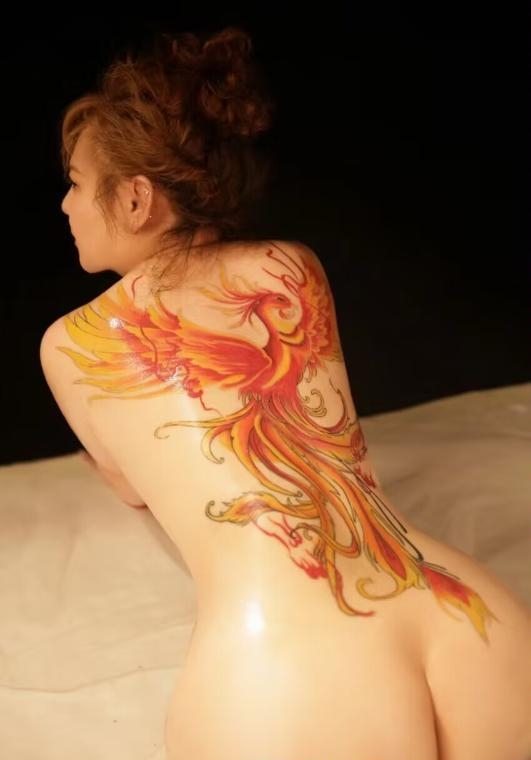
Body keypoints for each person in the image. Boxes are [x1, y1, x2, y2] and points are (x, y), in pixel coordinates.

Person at [40, 26, 531, 760]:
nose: (64, 205)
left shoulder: (71, 344)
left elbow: (132, 486)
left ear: (137, 199)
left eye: (77, 183)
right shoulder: (290, 269)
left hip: (287, 671)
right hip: (464, 614)